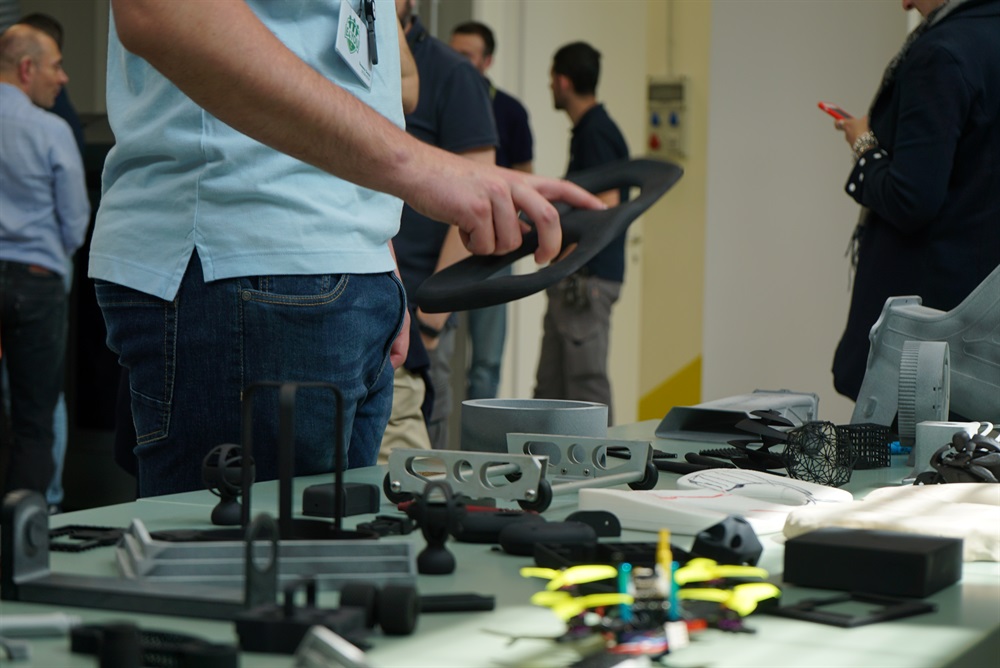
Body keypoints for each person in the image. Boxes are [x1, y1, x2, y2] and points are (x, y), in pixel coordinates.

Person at [89, 0, 600, 497]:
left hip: (337, 273)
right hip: (245, 263)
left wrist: (375, 246)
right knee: (246, 552)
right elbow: (162, 12)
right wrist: (418, 169)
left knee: (328, 545)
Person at [830, 0, 1000, 402]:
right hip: (981, 317)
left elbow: (910, 199)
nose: (905, 3)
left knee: (901, 441)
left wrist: (865, 147)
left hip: (924, 328)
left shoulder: (941, 54)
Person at [389, 0, 498, 453]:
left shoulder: (452, 74)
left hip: (421, 303)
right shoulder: (350, 60)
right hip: (362, 301)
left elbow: (477, 201)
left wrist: (432, 319)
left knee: (419, 452)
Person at [0, 23, 90, 498]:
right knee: (35, 418)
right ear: (26, 68)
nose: (63, 77)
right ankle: (27, 528)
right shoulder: (51, 129)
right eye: (56, 66)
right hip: (36, 282)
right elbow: (75, 221)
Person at [534, 41, 629, 425]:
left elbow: (606, 205)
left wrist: (567, 254)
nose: (550, 86)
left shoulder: (596, 133)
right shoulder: (589, 131)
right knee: (550, 391)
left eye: (551, 79)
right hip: (576, 282)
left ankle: (605, 462)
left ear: (563, 81)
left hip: (586, 283)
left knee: (585, 393)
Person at [450, 20, 534, 401]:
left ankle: (478, 439)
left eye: (466, 55)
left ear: (487, 61)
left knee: (486, 362)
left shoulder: (511, 112)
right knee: (432, 353)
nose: (457, 61)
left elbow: (525, 180)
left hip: (496, 250)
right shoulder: (438, 101)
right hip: (444, 246)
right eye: (452, 53)